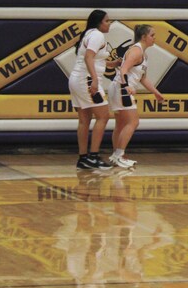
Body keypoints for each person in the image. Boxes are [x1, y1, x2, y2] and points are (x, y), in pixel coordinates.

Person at [106, 24, 165, 168]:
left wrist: (156, 92)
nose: (154, 38)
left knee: (120, 124)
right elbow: (123, 69)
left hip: (118, 88)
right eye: (152, 35)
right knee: (133, 122)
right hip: (122, 88)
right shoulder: (136, 51)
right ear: (144, 37)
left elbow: (143, 78)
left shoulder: (144, 54)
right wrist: (126, 86)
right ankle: (119, 155)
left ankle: (116, 155)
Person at [69, 10, 118, 170]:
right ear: (99, 22)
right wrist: (95, 80)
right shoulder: (97, 35)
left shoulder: (88, 33)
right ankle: (94, 156)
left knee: (84, 120)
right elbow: (88, 57)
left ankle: (83, 159)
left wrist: (112, 64)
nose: (109, 23)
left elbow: (94, 58)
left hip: (77, 79)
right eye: (107, 21)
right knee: (103, 116)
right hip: (86, 80)